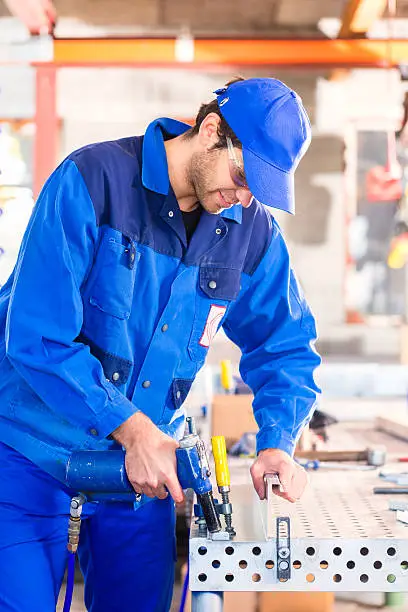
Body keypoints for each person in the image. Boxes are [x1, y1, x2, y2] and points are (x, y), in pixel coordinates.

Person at [0, 76, 320, 611]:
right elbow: (36, 336)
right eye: (242, 176)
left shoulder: (250, 230)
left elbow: (285, 344)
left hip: (141, 479)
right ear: (212, 130)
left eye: (258, 191)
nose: (241, 198)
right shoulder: (92, 181)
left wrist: (276, 444)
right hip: (31, 459)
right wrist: (131, 428)